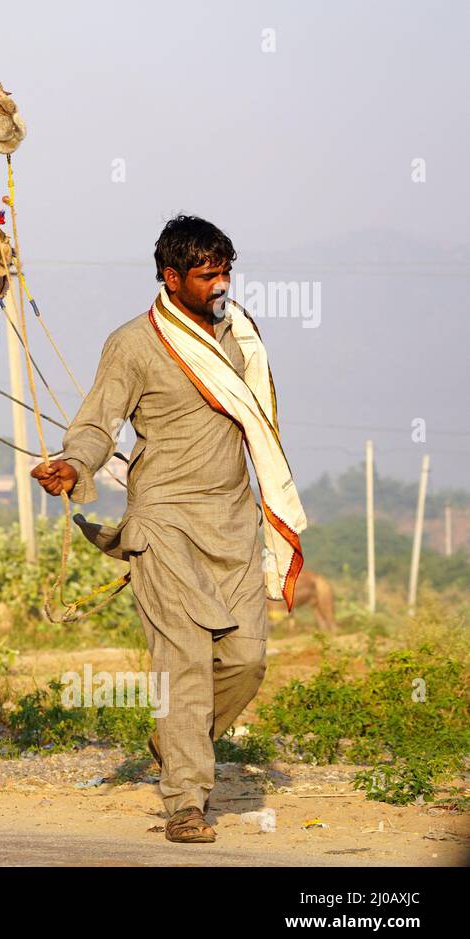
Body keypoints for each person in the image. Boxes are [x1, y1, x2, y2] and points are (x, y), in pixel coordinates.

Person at [32, 215, 305, 844]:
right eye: (207, 274)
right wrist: (74, 462)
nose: (220, 284)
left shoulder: (243, 336)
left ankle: (176, 740)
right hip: (163, 523)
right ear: (170, 276)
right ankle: (186, 800)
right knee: (183, 663)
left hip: (235, 524)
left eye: (225, 271)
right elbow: (98, 423)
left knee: (246, 660)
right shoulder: (132, 342)